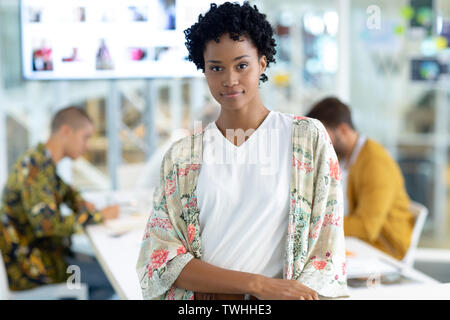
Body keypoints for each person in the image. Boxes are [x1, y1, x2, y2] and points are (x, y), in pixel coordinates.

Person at [136, 2, 348, 300]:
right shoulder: (183, 156)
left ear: (262, 63)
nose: (229, 79)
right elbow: (160, 258)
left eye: (242, 65)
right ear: (204, 69)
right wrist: (256, 285)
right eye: (216, 68)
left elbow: (327, 247)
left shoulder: (306, 139)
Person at [0, 106, 119, 298]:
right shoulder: (34, 169)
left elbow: (67, 193)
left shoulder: (41, 161)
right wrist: (98, 216)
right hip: (34, 267)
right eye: (85, 137)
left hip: (47, 256)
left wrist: (82, 205)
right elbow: (48, 226)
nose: (87, 145)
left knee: (105, 269)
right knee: (111, 277)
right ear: (66, 132)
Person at [306, 97, 415, 260]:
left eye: (323, 136)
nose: (320, 144)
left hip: (384, 250)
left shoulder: (375, 162)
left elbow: (366, 227)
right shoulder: (346, 158)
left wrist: (315, 226)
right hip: (357, 244)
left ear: (343, 130)